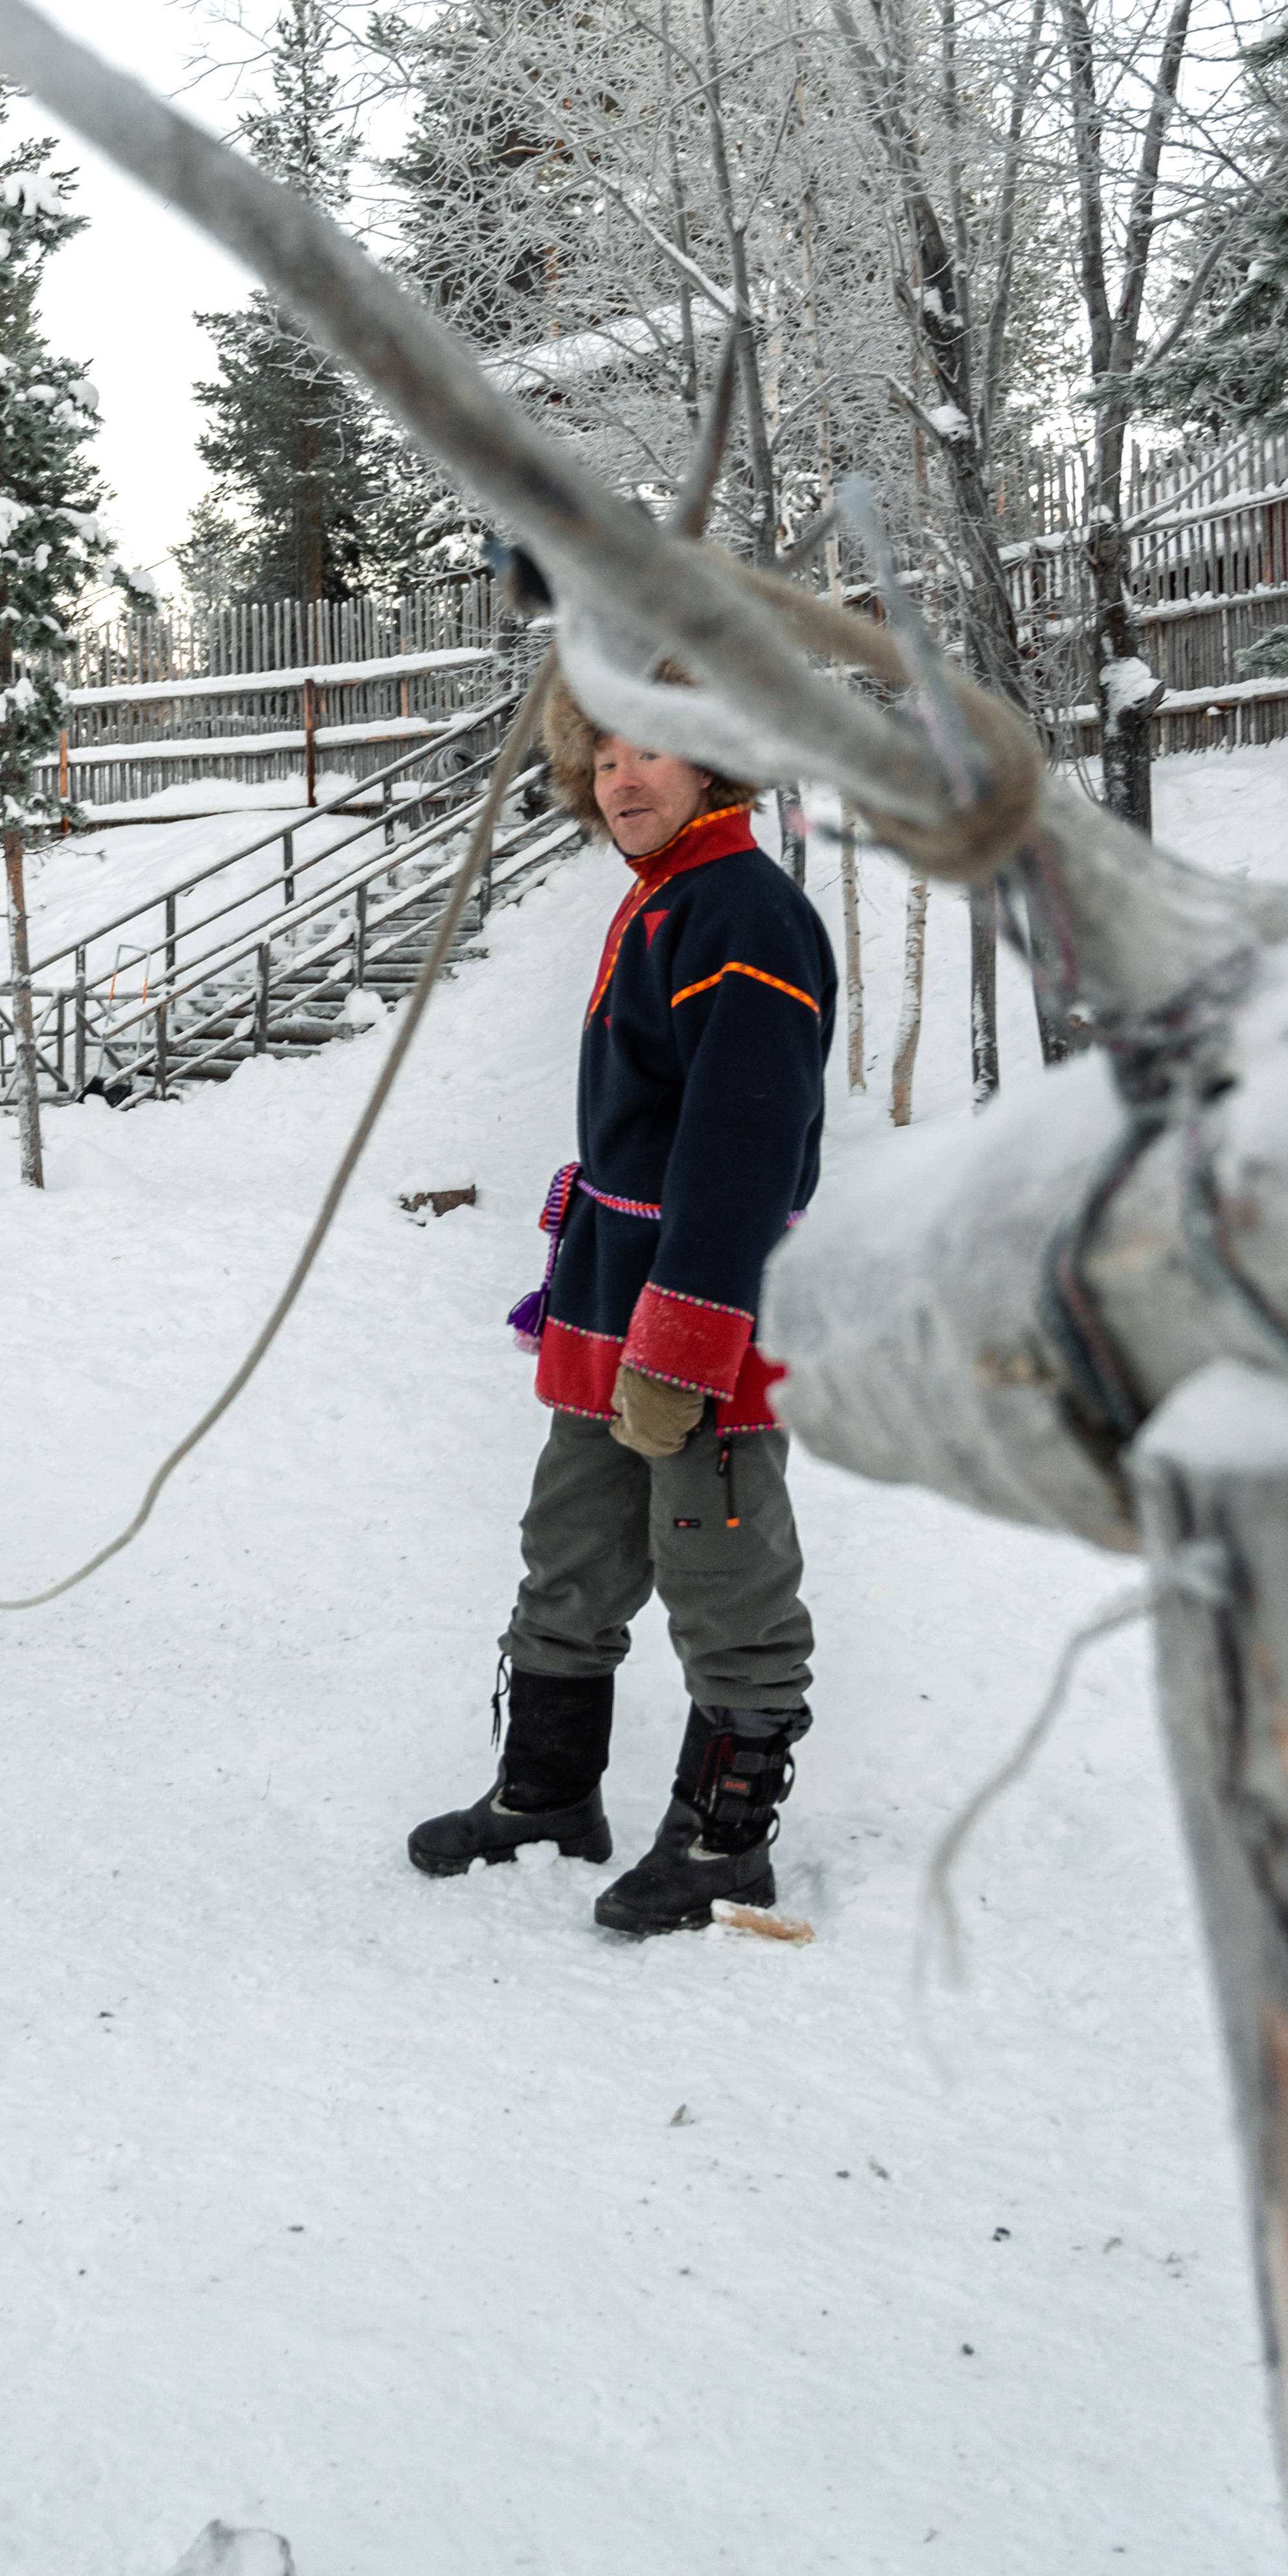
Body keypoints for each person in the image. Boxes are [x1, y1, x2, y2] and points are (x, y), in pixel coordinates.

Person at [408, 673, 836, 1934]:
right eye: (603, 761)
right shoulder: (664, 899)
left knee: (720, 1563)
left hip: (706, 1297)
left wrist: (686, 1334)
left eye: (653, 754)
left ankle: (721, 1845)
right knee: (573, 1546)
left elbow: (744, 1146)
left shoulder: (744, 911)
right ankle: (546, 1793)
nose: (623, 780)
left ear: (715, 767)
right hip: (612, 1287)